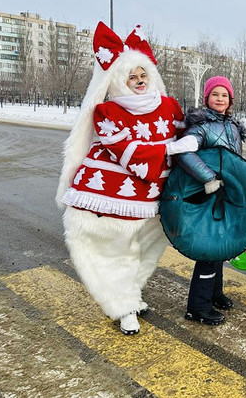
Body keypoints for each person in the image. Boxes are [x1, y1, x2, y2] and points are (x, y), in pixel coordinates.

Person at [56, 22, 198, 335]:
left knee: (145, 251)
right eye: (131, 76)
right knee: (114, 253)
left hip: (154, 199)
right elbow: (127, 152)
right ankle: (123, 309)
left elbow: (188, 135)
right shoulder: (108, 111)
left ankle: (129, 297)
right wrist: (172, 147)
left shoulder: (170, 105)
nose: (138, 81)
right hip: (112, 199)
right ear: (120, 79)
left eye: (142, 75)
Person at [176, 76, 246, 326]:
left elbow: (235, 160)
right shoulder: (202, 126)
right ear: (207, 98)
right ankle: (197, 307)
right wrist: (209, 178)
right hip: (206, 194)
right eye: (215, 94)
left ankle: (214, 294)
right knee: (210, 248)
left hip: (225, 193)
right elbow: (184, 153)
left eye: (224, 95)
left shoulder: (232, 126)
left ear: (230, 100)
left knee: (222, 244)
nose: (220, 99)